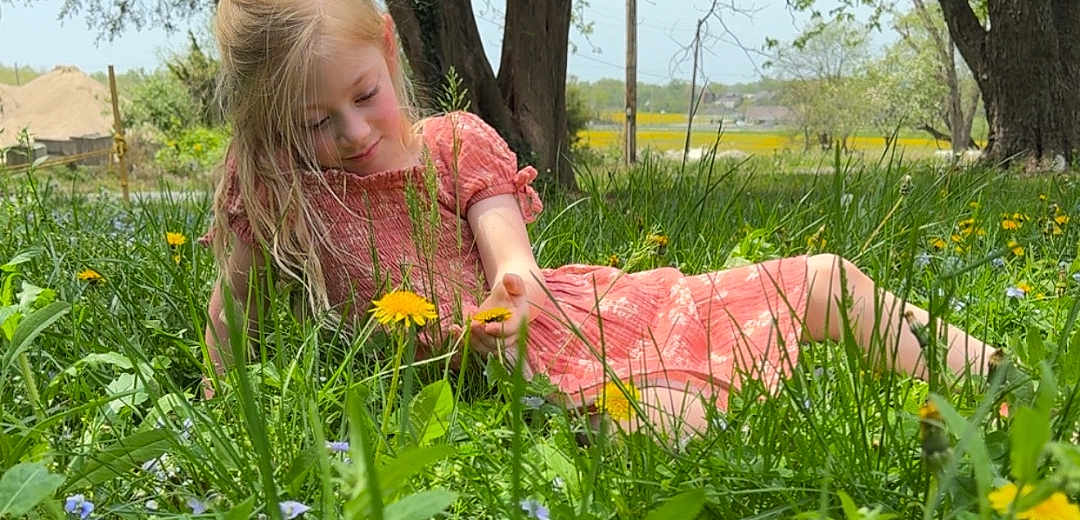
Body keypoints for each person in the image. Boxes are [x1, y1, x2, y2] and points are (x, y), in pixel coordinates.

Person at [203, 0, 999, 436]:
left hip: (564, 322)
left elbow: (510, 253)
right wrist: (214, 402)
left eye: (365, 95)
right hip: (491, 386)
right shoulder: (277, 191)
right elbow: (232, 306)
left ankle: (1005, 385)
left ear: (388, 45)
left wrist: (512, 295)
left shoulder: (454, 145)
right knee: (677, 421)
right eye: (314, 122)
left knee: (822, 278)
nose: (352, 133)